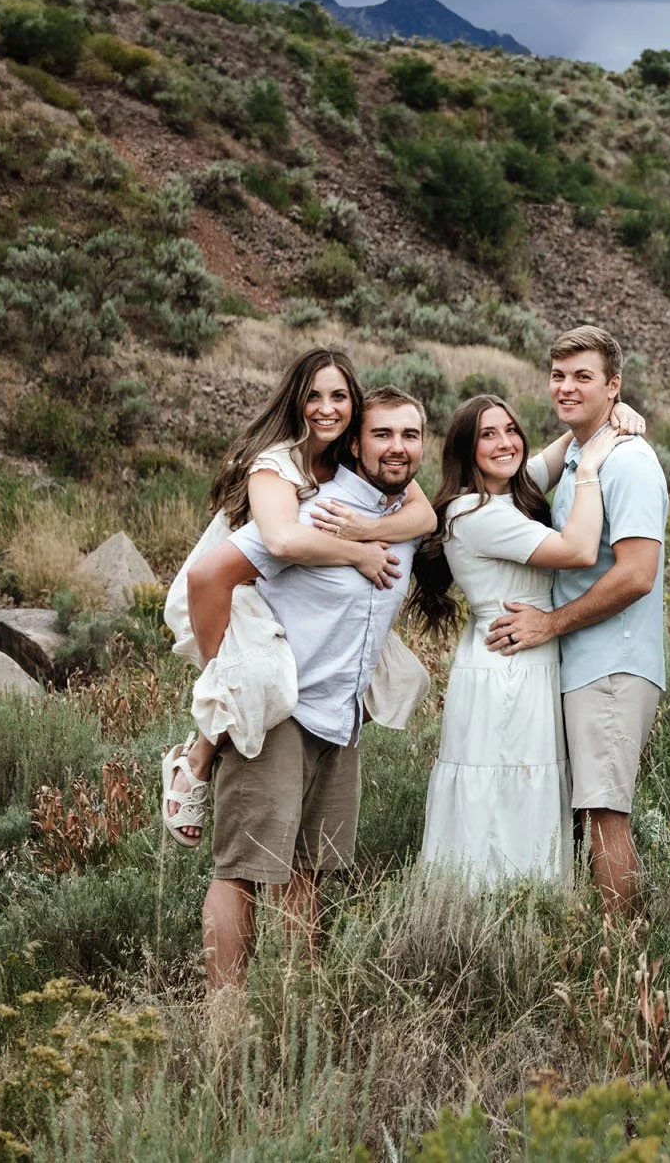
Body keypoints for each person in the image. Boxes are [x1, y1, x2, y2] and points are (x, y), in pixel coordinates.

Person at [182, 386, 427, 989]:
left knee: (307, 871)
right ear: (354, 442)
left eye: (411, 435)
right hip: (278, 717)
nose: (397, 448)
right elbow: (208, 576)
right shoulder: (315, 510)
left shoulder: (405, 519)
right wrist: (226, 681)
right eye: (382, 434)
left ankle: (297, 1009)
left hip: (341, 722)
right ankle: (225, 1020)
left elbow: (499, 474)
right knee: (241, 869)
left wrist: (608, 423)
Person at [160, 350, 434, 846]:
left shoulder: (351, 462)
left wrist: (371, 527)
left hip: (290, 594)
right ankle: (195, 759)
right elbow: (283, 541)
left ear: (354, 407)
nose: (326, 408)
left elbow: (426, 517)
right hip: (242, 594)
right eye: (314, 396)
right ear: (296, 401)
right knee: (252, 684)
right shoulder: (276, 463)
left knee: (403, 678)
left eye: (339, 396)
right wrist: (358, 553)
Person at [408, 396, 626, 884]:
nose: (504, 442)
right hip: (506, 664)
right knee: (502, 788)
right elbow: (578, 549)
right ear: (466, 447)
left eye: (510, 429)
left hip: (525, 656)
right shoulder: (475, 513)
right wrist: (589, 466)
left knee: (523, 785)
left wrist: (613, 412)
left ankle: (527, 907)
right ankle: (489, 907)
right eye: (488, 434)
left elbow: (555, 450)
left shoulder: (507, 492)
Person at [486, 326, 667, 912]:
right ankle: (598, 955)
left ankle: (624, 968)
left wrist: (550, 623)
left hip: (612, 664)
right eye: (559, 375)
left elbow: (638, 573)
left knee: (604, 813)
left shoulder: (630, 463)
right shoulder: (576, 456)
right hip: (582, 664)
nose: (566, 387)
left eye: (583, 376)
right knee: (586, 811)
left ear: (613, 386)